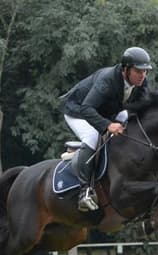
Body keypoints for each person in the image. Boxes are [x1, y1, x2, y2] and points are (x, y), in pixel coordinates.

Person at [60, 46, 152, 211]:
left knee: (128, 120)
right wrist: (108, 125)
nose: (142, 75)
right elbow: (87, 108)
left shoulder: (141, 82)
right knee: (92, 137)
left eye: (145, 71)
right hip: (78, 111)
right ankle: (84, 191)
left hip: (105, 111)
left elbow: (143, 108)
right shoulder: (108, 80)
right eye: (138, 71)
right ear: (125, 69)